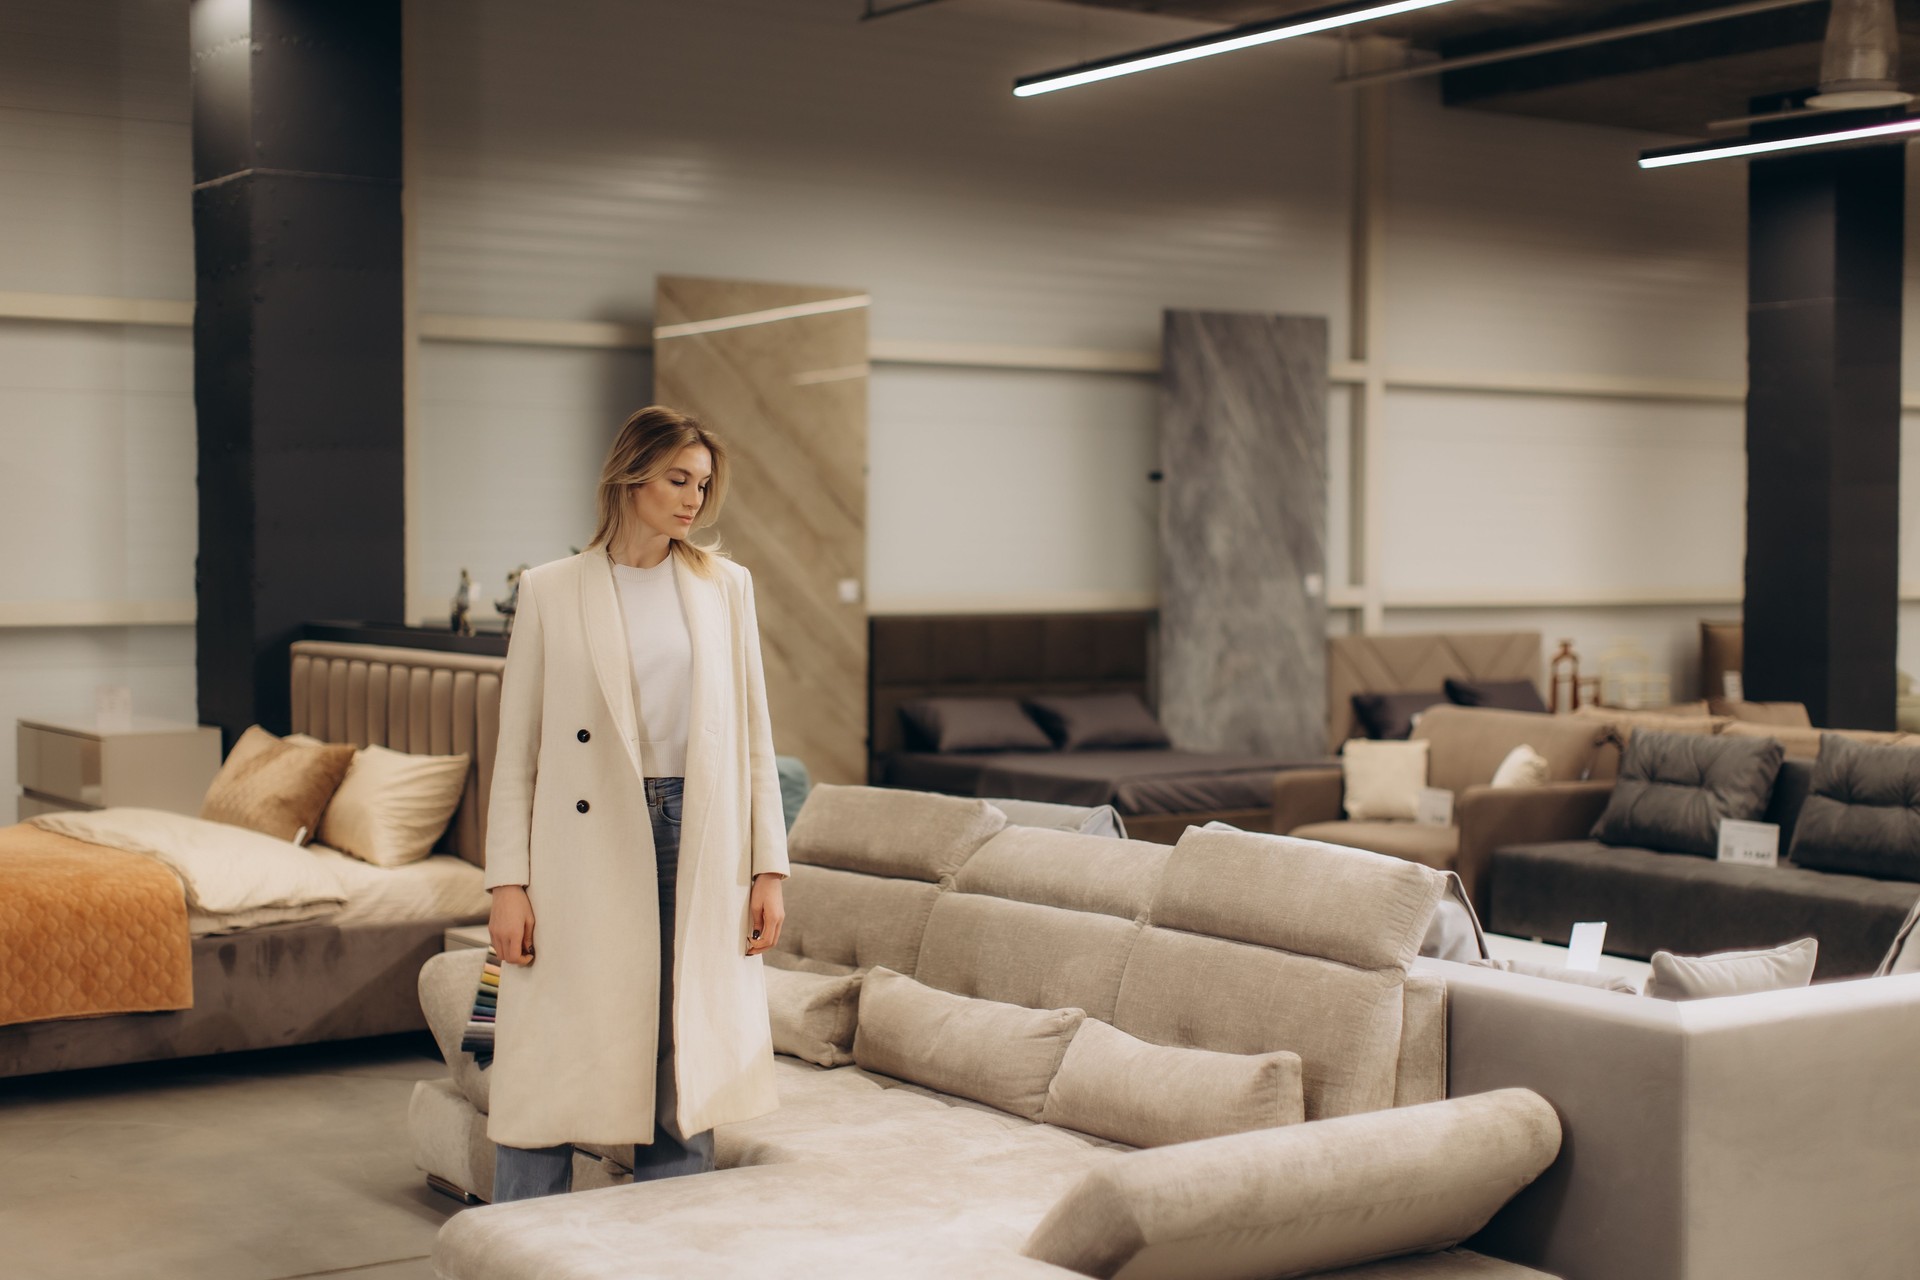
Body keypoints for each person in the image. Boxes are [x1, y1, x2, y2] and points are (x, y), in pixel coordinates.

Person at [482, 406, 789, 1201]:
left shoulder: (726, 587)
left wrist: (769, 869)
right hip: (581, 845)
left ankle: (673, 1242)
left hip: (699, 834)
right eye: (678, 480)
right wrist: (506, 883)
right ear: (631, 476)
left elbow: (753, 734)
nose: (693, 500)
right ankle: (519, 1241)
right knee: (548, 1050)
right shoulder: (550, 590)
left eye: (704, 484)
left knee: (682, 1047)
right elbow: (516, 753)